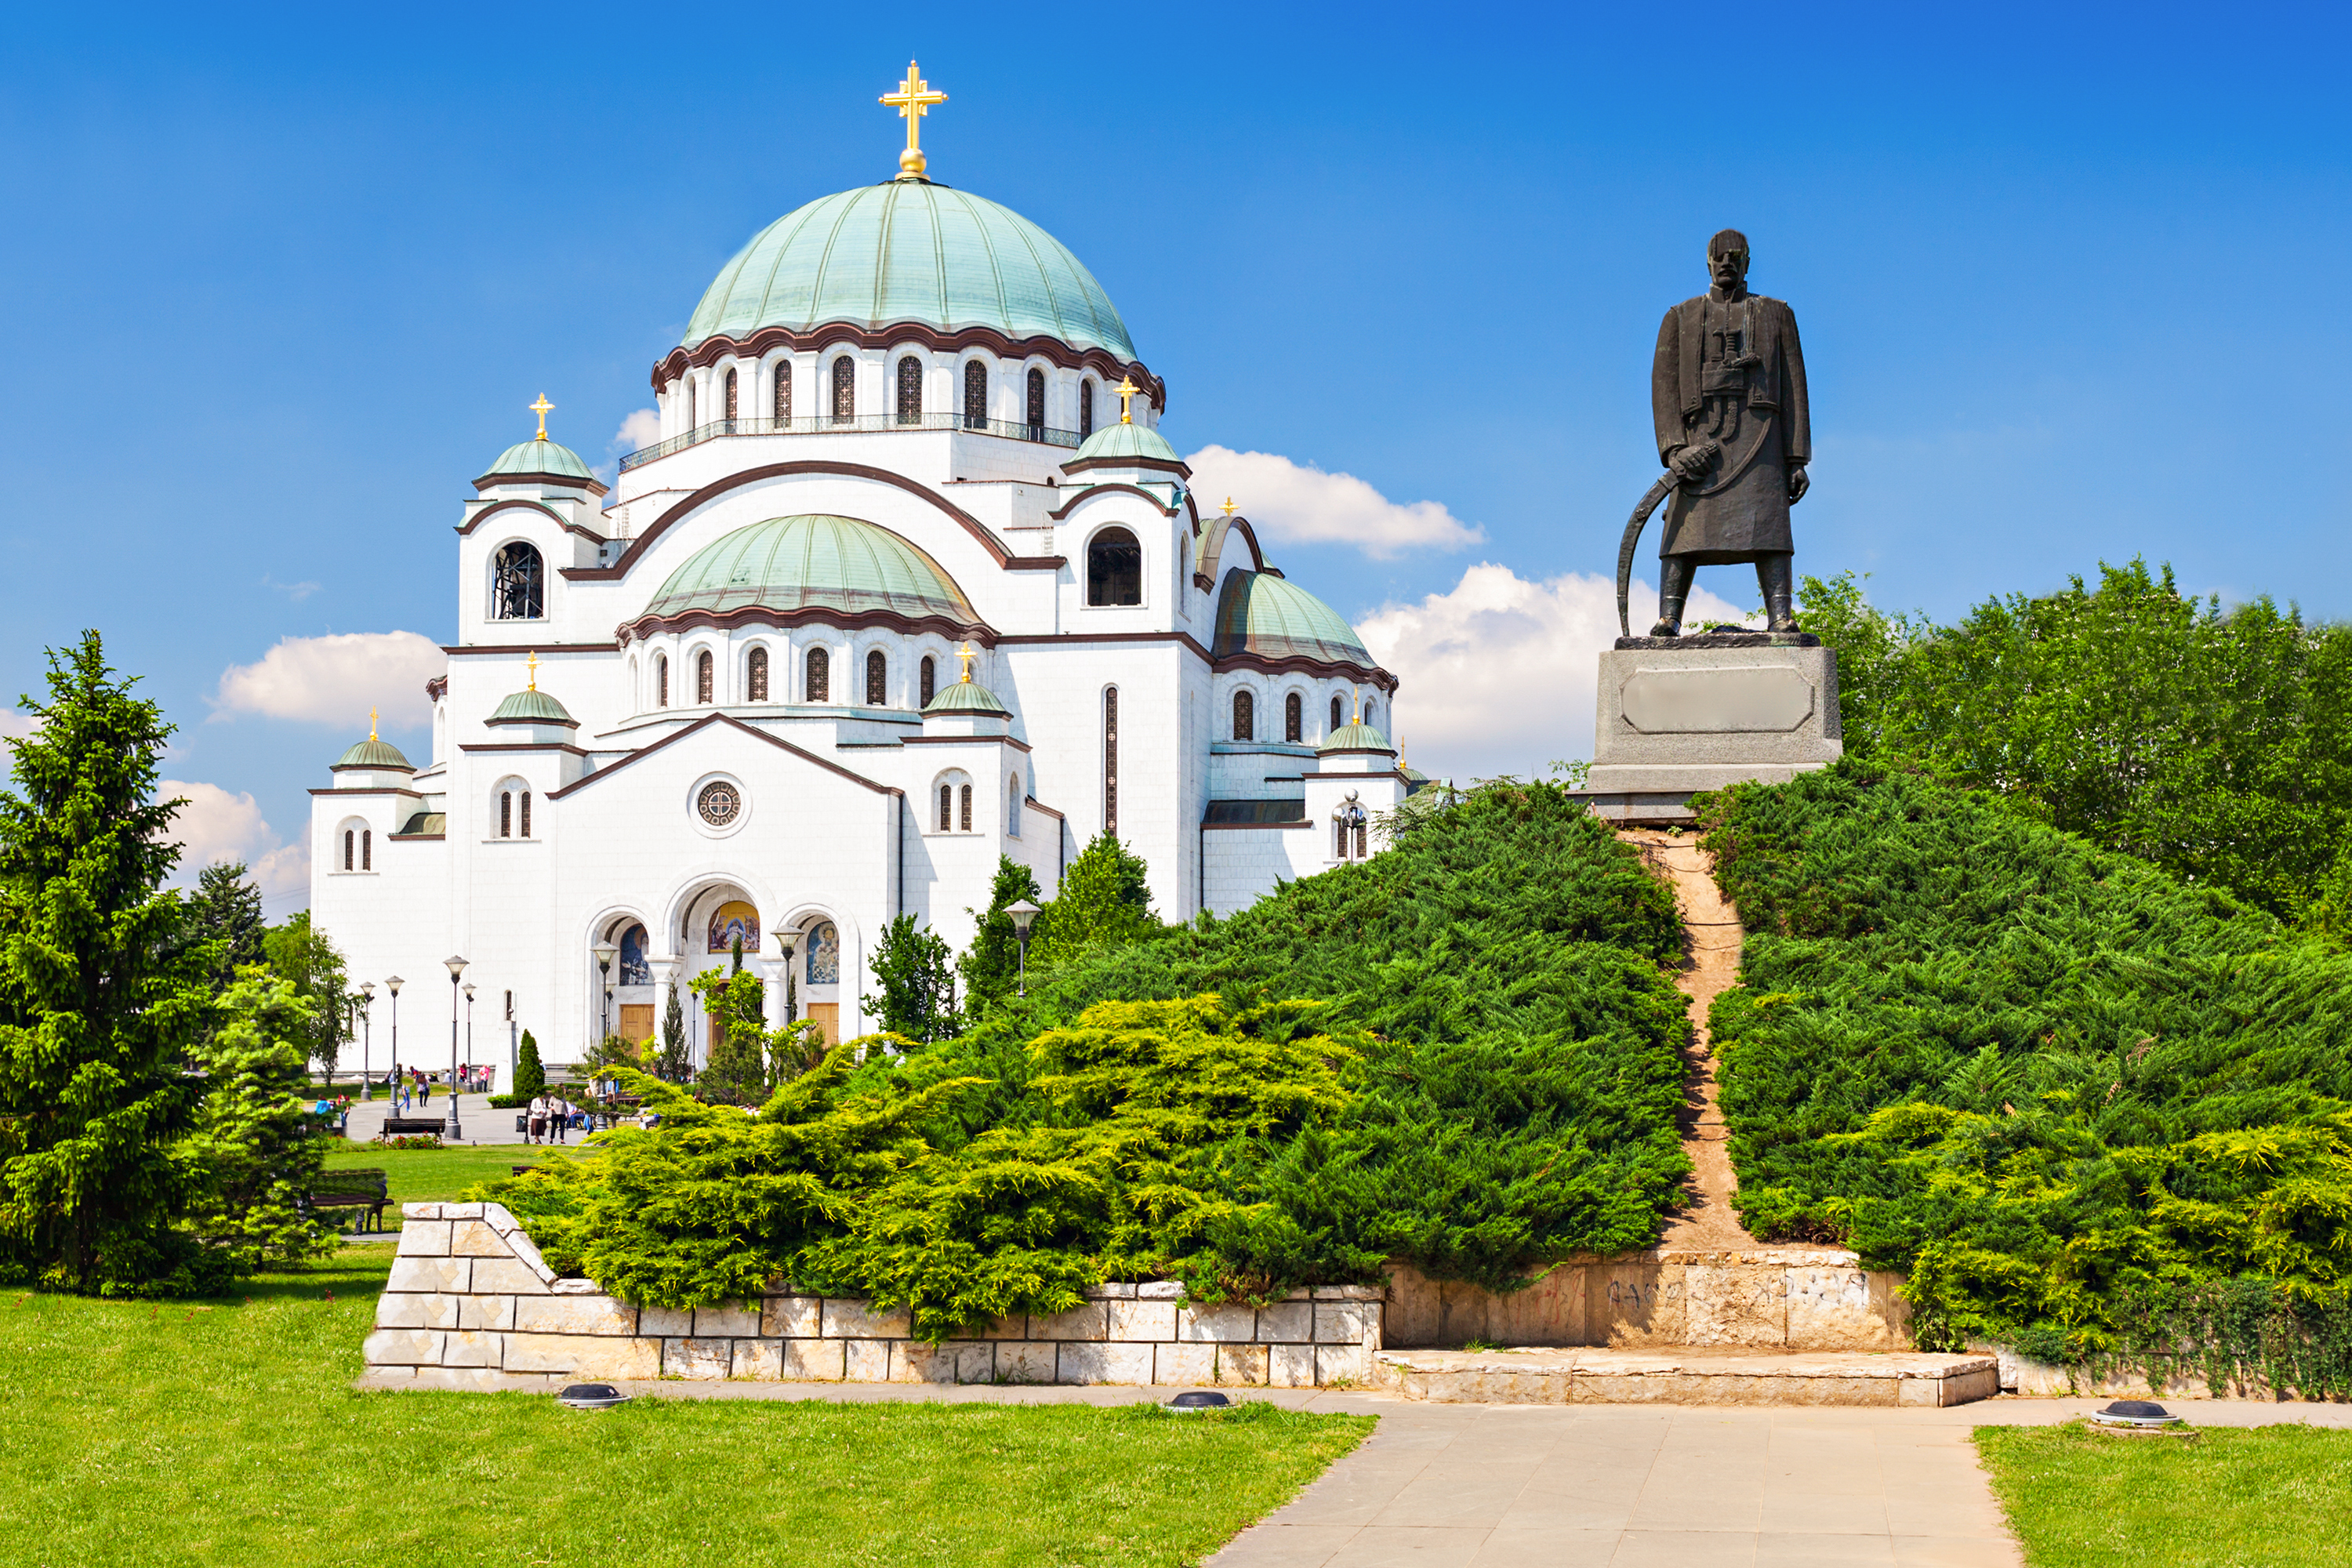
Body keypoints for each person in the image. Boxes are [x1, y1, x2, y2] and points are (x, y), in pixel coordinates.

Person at [1648, 227, 1812, 635]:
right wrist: (1674, 451)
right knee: (1683, 531)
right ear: (1708, 262)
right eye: (1719, 256)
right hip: (1699, 443)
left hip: (1761, 439)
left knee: (1769, 527)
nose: (1726, 263)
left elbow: (1795, 387)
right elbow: (1664, 389)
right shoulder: (1680, 316)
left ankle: (1781, 616)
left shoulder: (1777, 314)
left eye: (1735, 256)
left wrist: (1796, 459)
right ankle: (1669, 617)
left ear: (1747, 264)